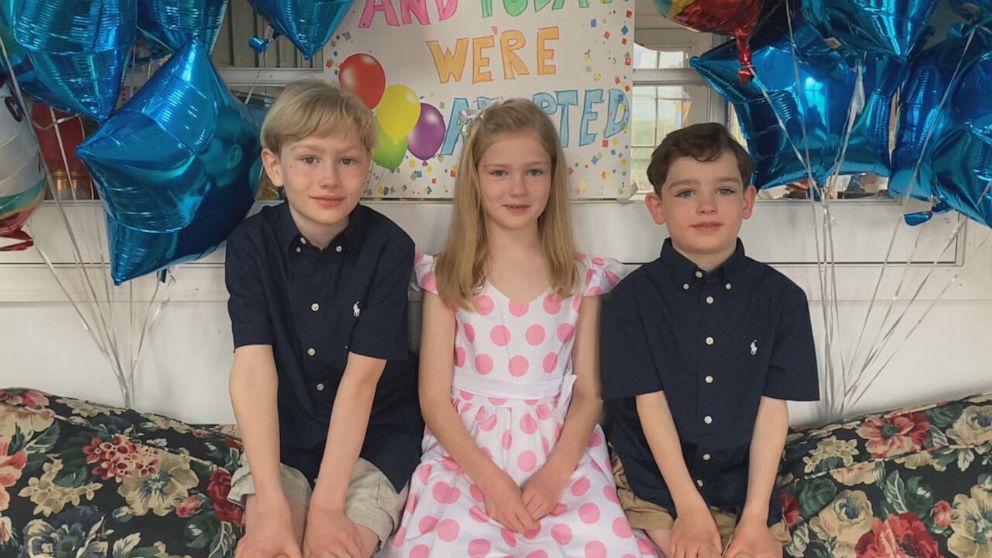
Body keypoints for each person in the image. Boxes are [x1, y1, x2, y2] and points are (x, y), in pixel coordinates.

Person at [387, 99, 655, 556]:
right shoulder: (447, 275)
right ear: (475, 177)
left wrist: (554, 476)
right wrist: (491, 481)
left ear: (553, 177)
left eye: (533, 171)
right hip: (468, 454)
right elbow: (433, 398)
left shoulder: (579, 277)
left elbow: (590, 392)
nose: (517, 187)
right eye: (498, 172)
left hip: (559, 449)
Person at [601, 122, 819, 558]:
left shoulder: (782, 299)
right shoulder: (630, 300)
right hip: (657, 485)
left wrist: (756, 518)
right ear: (656, 206)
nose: (705, 205)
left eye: (722, 190)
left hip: (743, 488)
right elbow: (650, 406)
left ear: (747, 201)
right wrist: (690, 510)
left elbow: (773, 412)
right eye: (685, 193)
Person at [224, 80, 422, 558]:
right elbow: (252, 370)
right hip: (284, 438)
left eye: (347, 160)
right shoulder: (250, 245)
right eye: (309, 159)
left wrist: (329, 509)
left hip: (374, 437)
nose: (329, 178)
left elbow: (362, 380)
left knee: (333, 548)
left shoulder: (390, 248)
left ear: (366, 166)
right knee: (272, 544)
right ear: (275, 165)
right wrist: (271, 501)